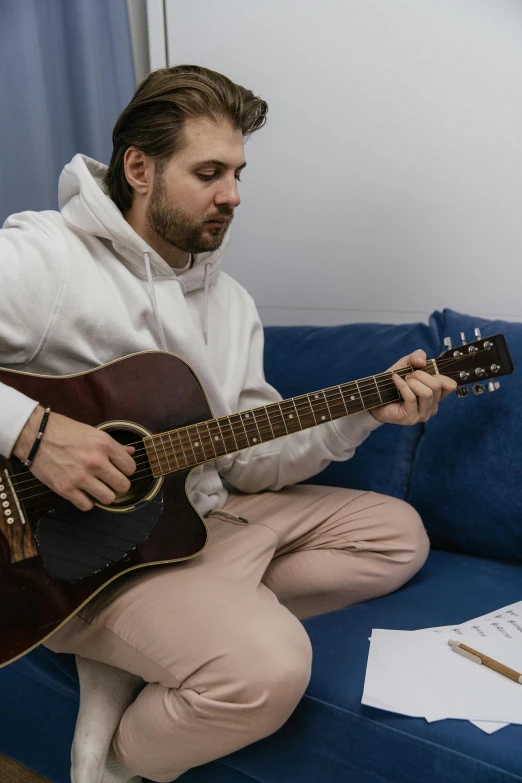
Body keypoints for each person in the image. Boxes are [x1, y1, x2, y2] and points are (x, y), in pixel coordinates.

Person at [0, 65, 457, 783]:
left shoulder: (230, 300)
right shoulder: (47, 260)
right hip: (69, 555)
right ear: (139, 168)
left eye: (238, 172)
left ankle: (175, 631)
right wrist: (31, 431)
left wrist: (363, 415)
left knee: (395, 535)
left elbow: (250, 457)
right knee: (269, 669)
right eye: (209, 172)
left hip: (194, 520)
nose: (233, 196)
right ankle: (116, 759)